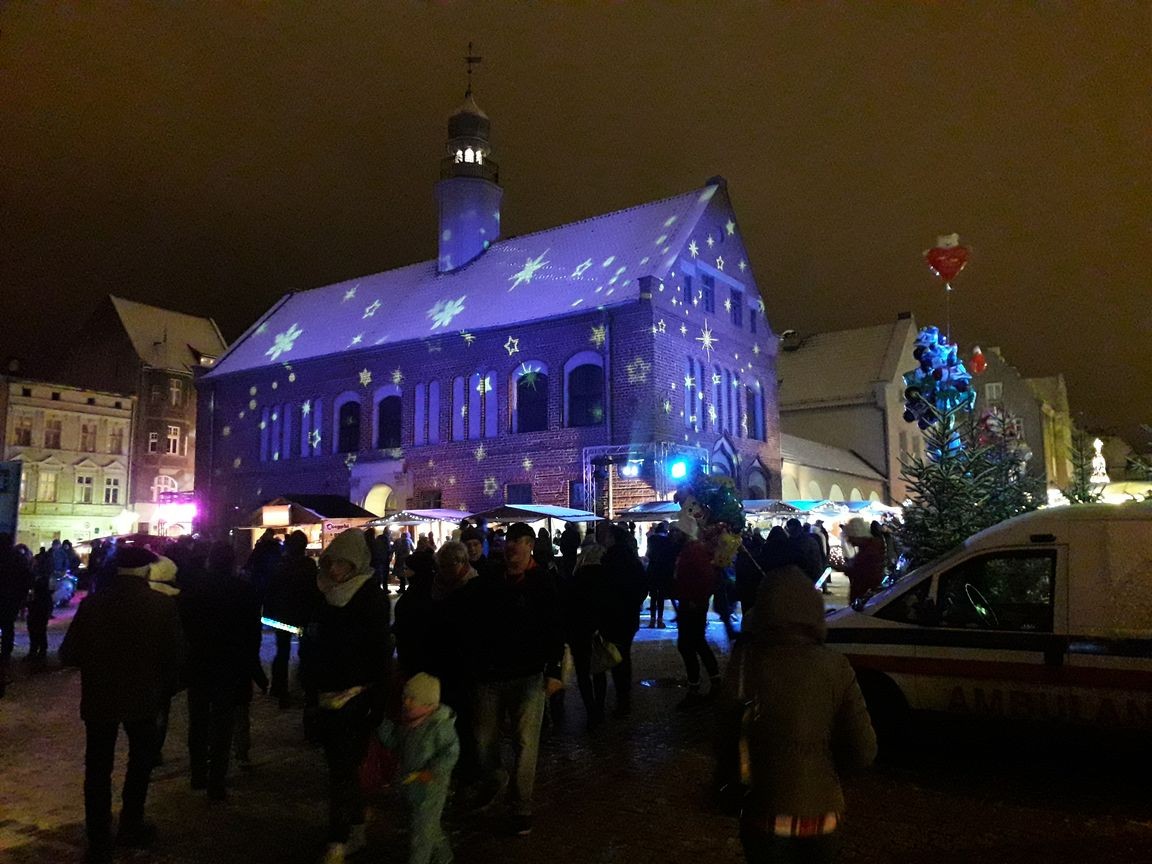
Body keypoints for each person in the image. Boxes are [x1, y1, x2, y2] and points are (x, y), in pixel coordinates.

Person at [727, 567, 876, 863]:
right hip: (822, 813)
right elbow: (864, 750)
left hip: (763, 811)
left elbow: (726, 737)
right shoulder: (835, 666)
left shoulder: (746, 664)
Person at [59, 547, 187, 864]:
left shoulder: (93, 604)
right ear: (147, 571)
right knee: (140, 763)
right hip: (143, 697)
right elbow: (175, 656)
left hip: (100, 697)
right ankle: (131, 823)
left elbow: (69, 654)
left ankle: (98, 839)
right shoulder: (161, 606)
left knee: (97, 768)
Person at [299, 529, 392, 864]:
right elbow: (311, 639)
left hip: (357, 693)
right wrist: (309, 684)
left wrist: (378, 700)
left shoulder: (370, 597)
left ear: (355, 563)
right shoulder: (323, 594)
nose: (334, 569)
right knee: (340, 766)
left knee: (342, 766)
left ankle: (338, 836)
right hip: (326, 692)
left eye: (340, 563)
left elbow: (380, 651)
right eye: (330, 562)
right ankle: (356, 823)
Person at [468, 522, 563, 836]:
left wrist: (554, 670)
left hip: (528, 673)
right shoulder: (491, 579)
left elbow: (555, 627)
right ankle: (496, 776)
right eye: (510, 543)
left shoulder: (543, 582)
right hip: (491, 672)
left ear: (530, 547)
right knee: (484, 739)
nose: (513, 549)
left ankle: (522, 805)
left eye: (520, 543)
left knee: (525, 742)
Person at [178, 542, 264, 798]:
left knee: (198, 721)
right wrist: (253, 668)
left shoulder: (193, 589)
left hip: (199, 662)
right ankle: (217, 780)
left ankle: (198, 774)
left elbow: (183, 628)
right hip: (229, 664)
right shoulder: (244, 590)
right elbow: (252, 634)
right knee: (223, 723)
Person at [376, 673, 460, 864]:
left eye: (412, 699)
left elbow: (450, 752)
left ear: (428, 704)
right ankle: (443, 856)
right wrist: (382, 726)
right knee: (428, 827)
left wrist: (433, 771)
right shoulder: (408, 723)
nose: (405, 702)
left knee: (420, 835)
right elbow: (395, 742)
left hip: (431, 788)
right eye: (405, 697)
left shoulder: (439, 726)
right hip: (412, 785)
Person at [264, 530, 320, 708]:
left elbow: (271, 590)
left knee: (282, 652)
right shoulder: (309, 565)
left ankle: (279, 689)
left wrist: (268, 613)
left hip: (282, 615)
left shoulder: (280, 565)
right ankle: (305, 687)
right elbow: (315, 591)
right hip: (303, 615)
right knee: (306, 652)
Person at [672, 515, 722, 708]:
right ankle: (712, 681)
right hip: (690, 602)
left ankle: (696, 686)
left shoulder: (693, 551)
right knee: (696, 643)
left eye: (677, 531)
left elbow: (706, 577)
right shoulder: (691, 549)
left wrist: (696, 599)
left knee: (688, 645)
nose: (674, 534)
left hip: (692, 605)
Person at [600, 524, 648, 717]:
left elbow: (603, 589)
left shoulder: (608, 560)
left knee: (614, 657)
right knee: (624, 656)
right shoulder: (633, 560)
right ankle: (624, 697)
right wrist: (634, 603)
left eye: (608, 536)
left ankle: (622, 700)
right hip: (629, 616)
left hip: (612, 616)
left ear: (613, 539)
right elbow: (643, 587)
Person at [0, 533, 32, 679]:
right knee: (8, 626)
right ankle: (6, 654)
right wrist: (21, 597)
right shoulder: (18, 558)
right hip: (12, 599)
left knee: (7, 626)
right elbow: (27, 578)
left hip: (7, 597)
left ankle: (5, 655)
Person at [839, 518, 885, 603]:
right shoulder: (869, 547)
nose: (849, 541)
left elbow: (863, 573)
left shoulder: (870, 550)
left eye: (851, 537)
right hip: (864, 595)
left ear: (857, 535)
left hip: (865, 597)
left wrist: (845, 569)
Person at [644, 521, 677, 629]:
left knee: (653, 596)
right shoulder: (668, 541)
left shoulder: (651, 539)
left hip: (652, 569)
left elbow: (648, 554)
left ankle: (652, 620)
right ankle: (660, 620)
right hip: (663, 571)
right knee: (661, 596)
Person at [393, 529, 414, 593]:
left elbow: (404, 551)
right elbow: (413, 550)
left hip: (401, 561)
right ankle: (403, 588)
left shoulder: (404, 542)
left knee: (402, 575)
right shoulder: (409, 541)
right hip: (405, 560)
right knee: (402, 575)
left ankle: (402, 588)